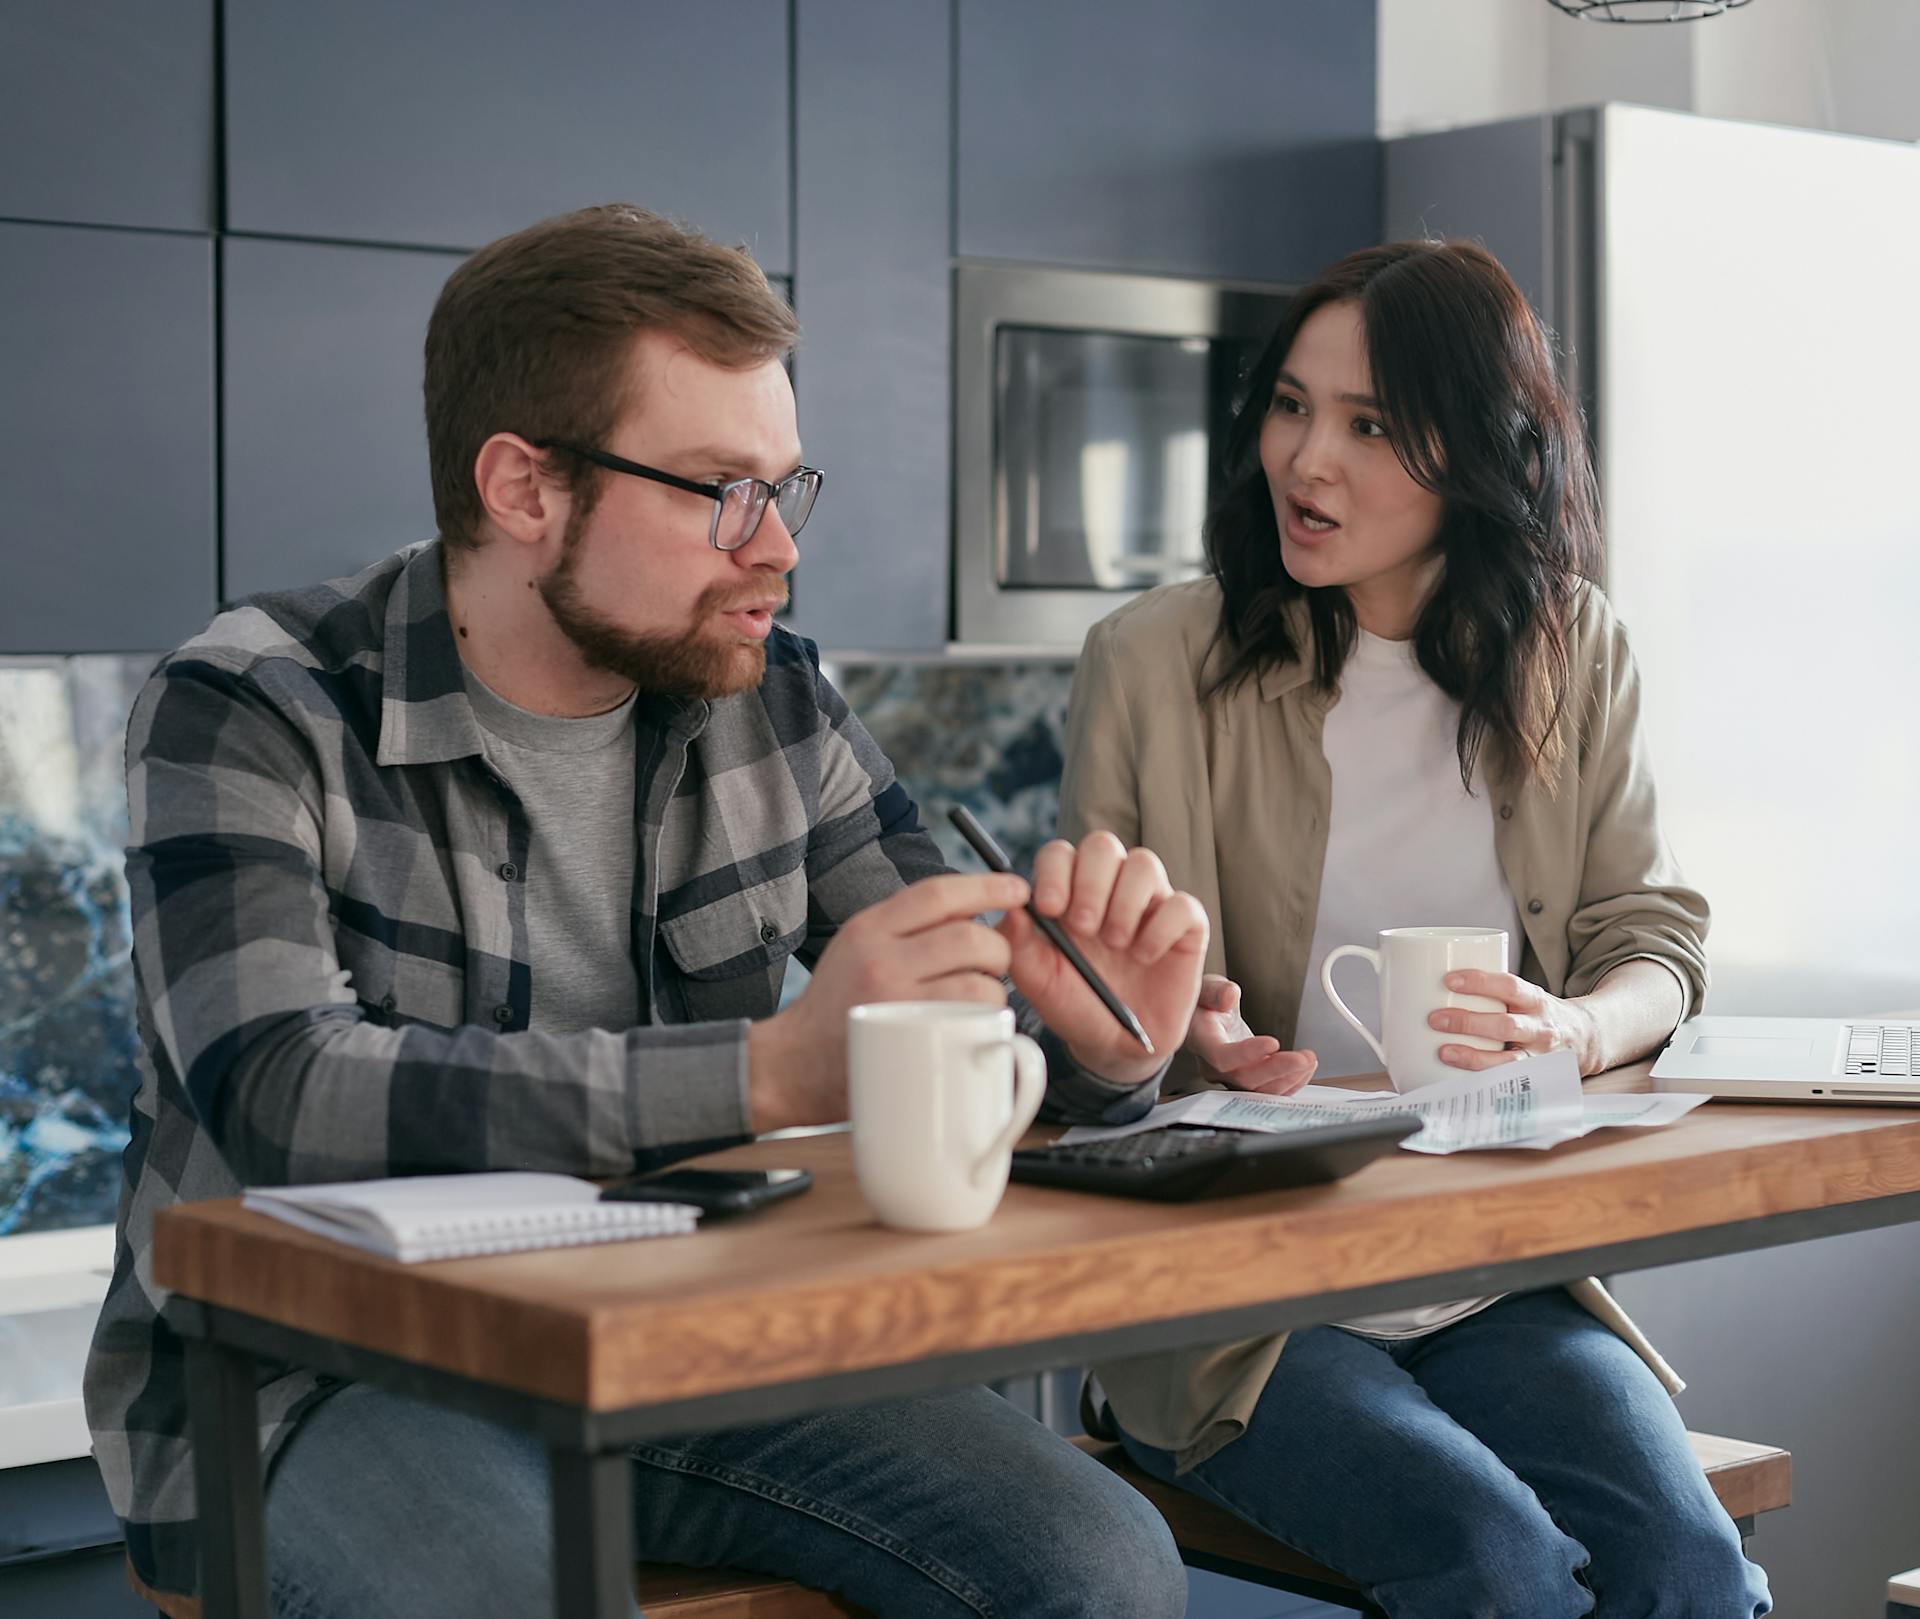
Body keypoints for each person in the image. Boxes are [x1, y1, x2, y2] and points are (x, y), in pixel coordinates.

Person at [84, 204, 1200, 1619]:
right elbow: (281, 1092)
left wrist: (1104, 1045)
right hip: (320, 1370)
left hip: (676, 1331)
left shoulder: (775, 696)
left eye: (786, 492)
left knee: (1099, 1563)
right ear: (523, 488)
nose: (778, 553)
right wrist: (771, 1070)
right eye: (720, 491)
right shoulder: (254, 700)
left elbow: (959, 1003)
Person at [1056, 239, 1772, 1616]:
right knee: (1496, 1567)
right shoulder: (1149, 664)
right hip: (1241, 1304)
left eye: (1370, 424)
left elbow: (1656, 941)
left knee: (1689, 1571)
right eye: (1289, 407)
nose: (1304, 460)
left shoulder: (1575, 650)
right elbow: (1094, 1033)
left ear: (1479, 454)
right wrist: (1170, 1040)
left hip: (1488, 1275)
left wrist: (1577, 1024)